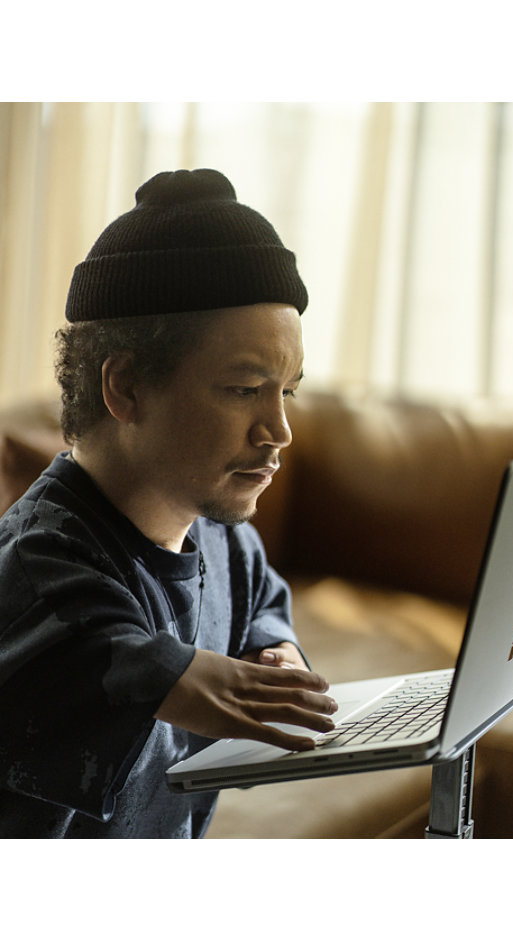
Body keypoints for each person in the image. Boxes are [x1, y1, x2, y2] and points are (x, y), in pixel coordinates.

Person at [0, 168, 337, 838]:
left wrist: (278, 654)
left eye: (286, 392)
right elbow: (109, 658)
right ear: (125, 387)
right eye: (245, 389)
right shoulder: (36, 567)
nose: (279, 431)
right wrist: (180, 679)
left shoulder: (223, 537)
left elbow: (262, 606)